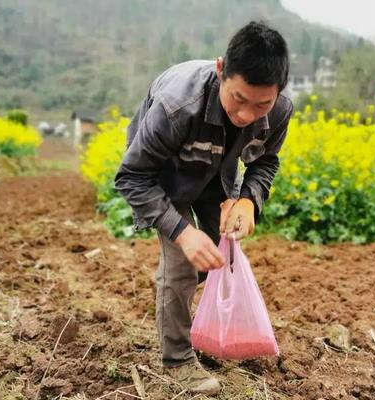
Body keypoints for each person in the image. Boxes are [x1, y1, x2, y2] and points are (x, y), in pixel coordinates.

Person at [114, 21, 292, 395]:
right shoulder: (177, 105)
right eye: (238, 100)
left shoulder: (278, 112)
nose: (246, 114)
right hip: (164, 173)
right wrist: (181, 232)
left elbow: (265, 162)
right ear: (220, 69)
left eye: (261, 104)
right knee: (182, 265)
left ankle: (187, 313)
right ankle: (176, 359)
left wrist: (248, 200)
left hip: (215, 171)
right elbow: (132, 177)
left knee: (216, 258)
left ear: (278, 93)